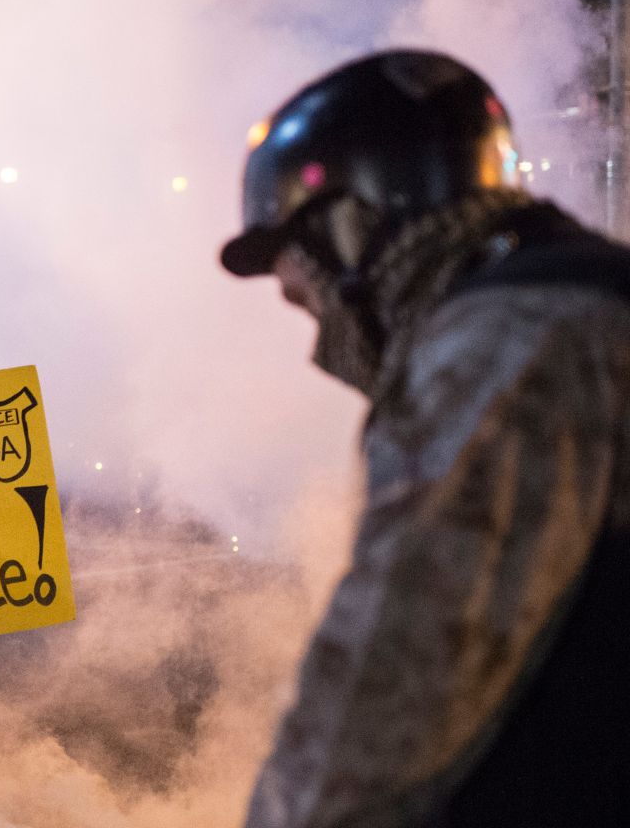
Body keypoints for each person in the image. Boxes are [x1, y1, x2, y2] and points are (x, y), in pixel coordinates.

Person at [221, 50, 630, 827]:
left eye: (297, 265)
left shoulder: (511, 346)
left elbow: (390, 684)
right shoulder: (586, 293)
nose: (289, 295)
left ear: (354, 224)